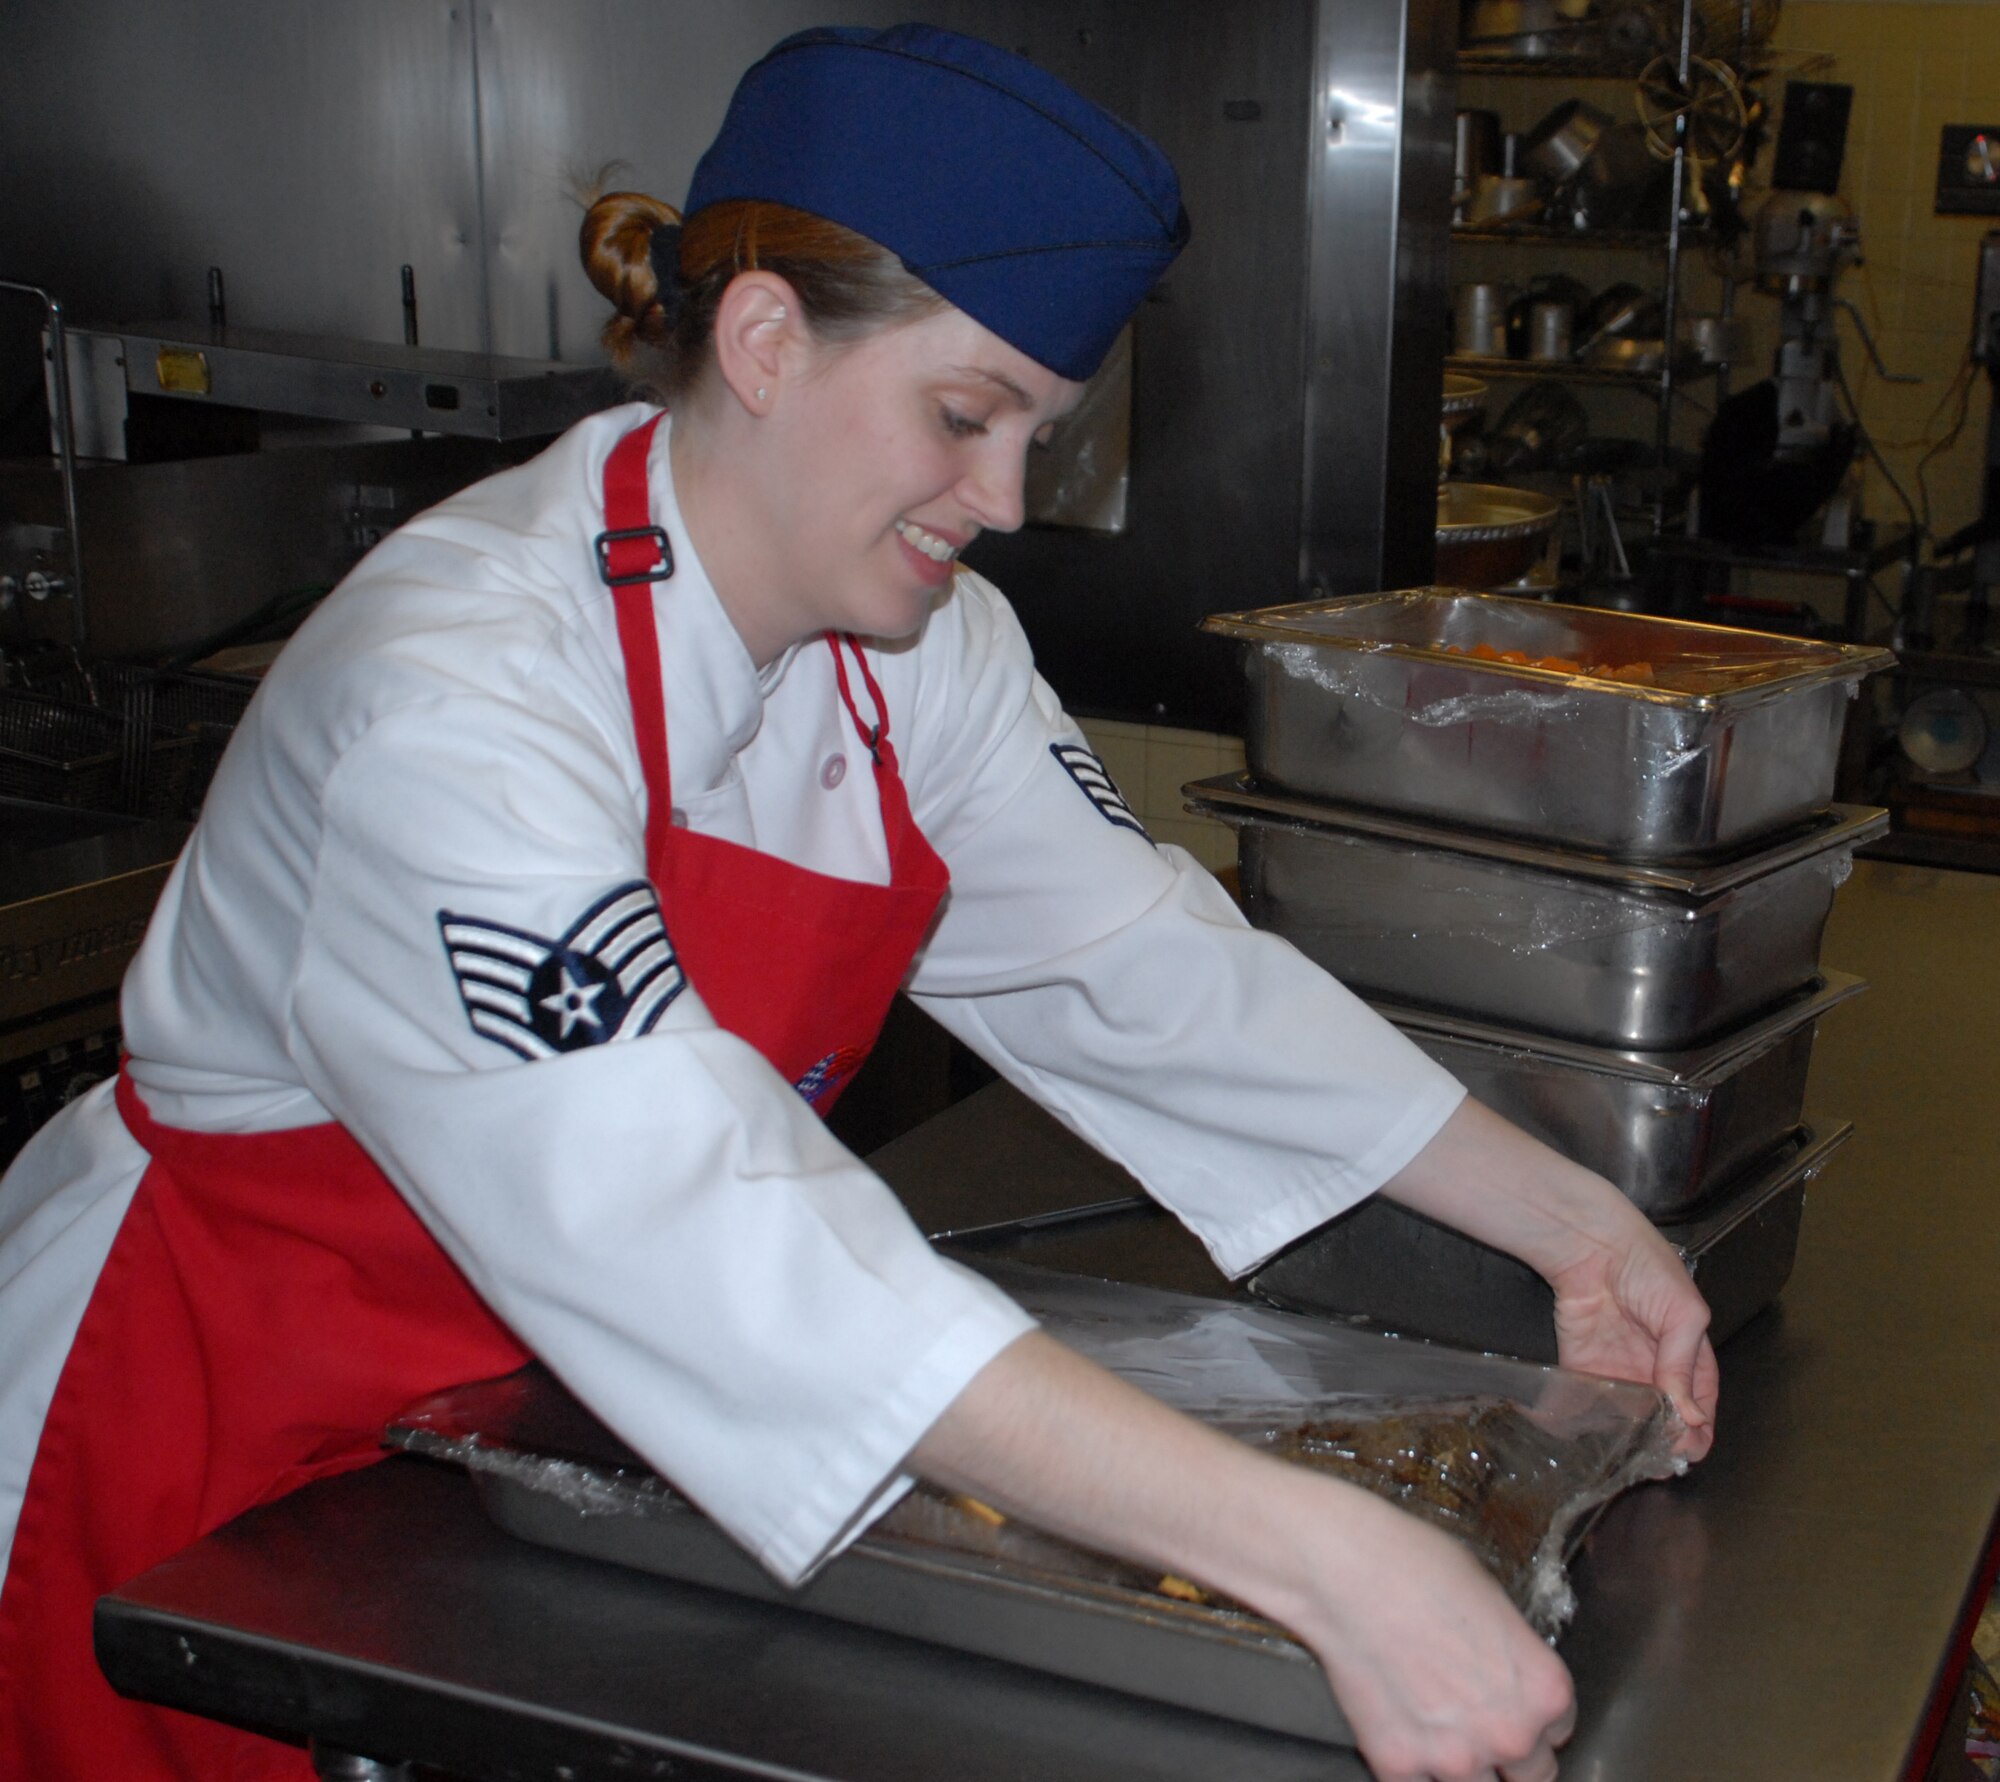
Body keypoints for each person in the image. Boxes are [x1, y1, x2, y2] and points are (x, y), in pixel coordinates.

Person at [0, 25, 1717, 1782]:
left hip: (514, 1437)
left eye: (1039, 433)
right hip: (205, 1445)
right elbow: (689, 1212)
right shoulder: (457, 693)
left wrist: (1575, 1220)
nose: (1004, 500)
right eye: (965, 418)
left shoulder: (925, 652)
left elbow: (1141, 963)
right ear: (760, 338)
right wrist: (1321, 1555)